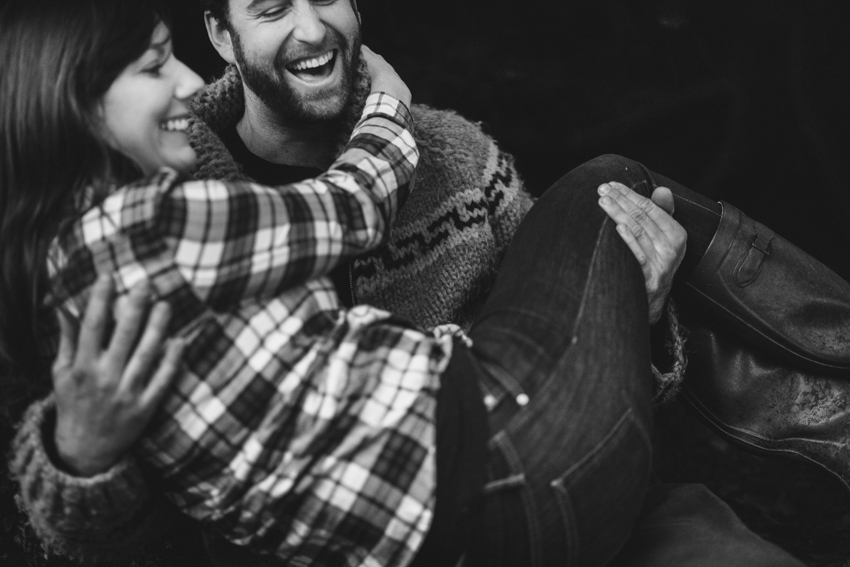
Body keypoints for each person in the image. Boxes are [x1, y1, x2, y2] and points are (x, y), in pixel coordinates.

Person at [6, 0, 841, 566]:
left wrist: (641, 314)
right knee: (609, 181)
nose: (309, 27)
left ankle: (832, 407)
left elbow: (584, 363)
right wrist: (81, 455)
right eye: (268, 8)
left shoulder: (460, 163)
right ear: (221, 37)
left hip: (531, 470)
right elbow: (83, 526)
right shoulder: (164, 208)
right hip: (452, 503)